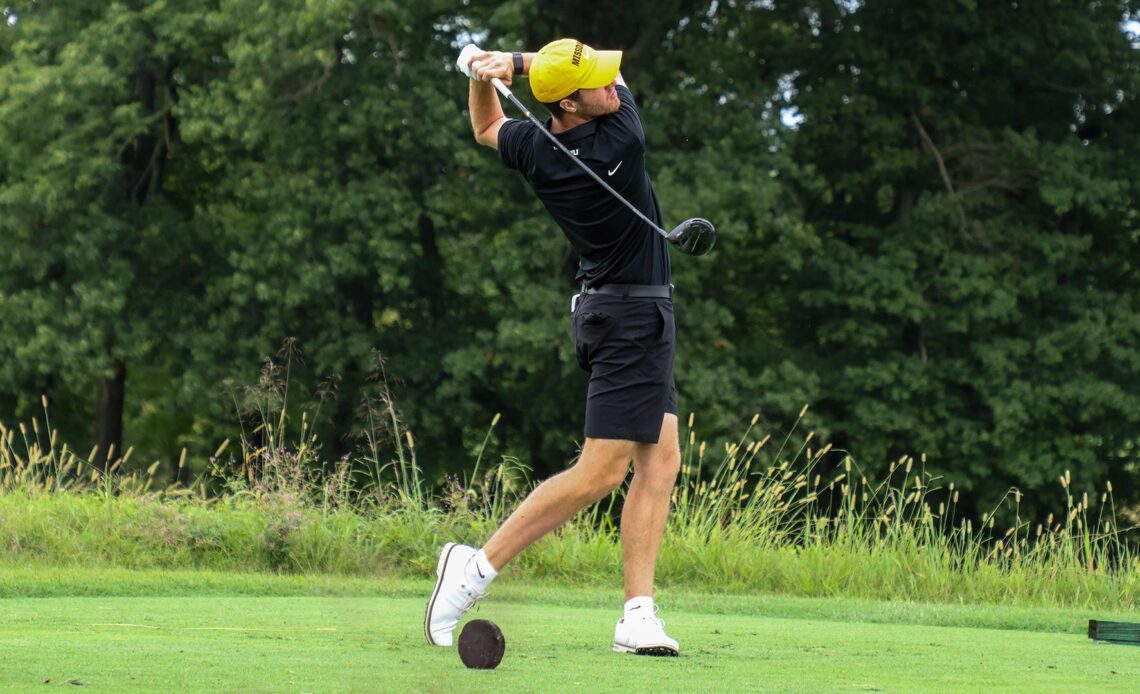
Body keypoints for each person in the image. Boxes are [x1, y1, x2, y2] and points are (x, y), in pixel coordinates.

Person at [425, 38, 681, 656]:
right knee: (600, 472)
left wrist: (484, 74)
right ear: (571, 101)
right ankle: (473, 569)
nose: (612, 84)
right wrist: (506, 62)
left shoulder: (539, 149)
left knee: (660, 458)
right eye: (598, 80)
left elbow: (487, 124)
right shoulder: (623, 137)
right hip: (628, 317)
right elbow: (605, 92)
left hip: (617, 311)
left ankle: (637, 615)